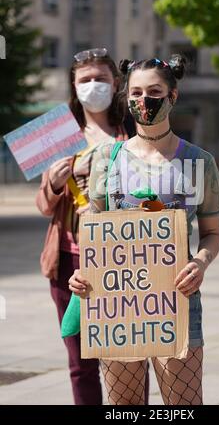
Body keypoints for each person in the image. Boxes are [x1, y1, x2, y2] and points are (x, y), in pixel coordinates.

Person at [69, 55, 219, 405]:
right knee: (125, 408)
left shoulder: (199, 162)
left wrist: (200, 262)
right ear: (126, 97)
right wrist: (82, 273)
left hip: (176, 302)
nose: (144, 100)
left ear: (173, 96)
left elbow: (212, 234)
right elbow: (94, 230)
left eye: (154, 91)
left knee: (183, 407)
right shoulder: (106, 159)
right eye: (136, 92)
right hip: (115, 306)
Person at [36, 48, 136, 405]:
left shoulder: (133, 131)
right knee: (81, 363)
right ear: (74, 86)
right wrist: (55, 183)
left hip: (124, 259)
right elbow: (43, 206)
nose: (94, 86)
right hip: (70, 259)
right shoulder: (62, 134)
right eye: (85, 80)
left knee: (126, 357)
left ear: (116, 83)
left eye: (101, 79)